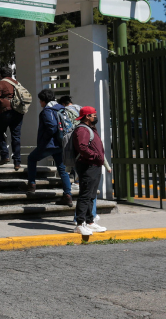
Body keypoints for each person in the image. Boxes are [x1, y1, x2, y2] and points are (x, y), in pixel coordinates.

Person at [26, 89, 72, 207]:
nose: (40, 103)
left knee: (31, 158)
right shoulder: (60, 108)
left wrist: (43, 141)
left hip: (50, 144)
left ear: (43, 100)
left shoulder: (47, 110)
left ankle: (31, 185)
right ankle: (67, 195)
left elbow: (52, 127)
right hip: (61, 143)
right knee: (62, 169)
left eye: (40, 100)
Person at [73, 106, 108, 236]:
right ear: (87, 116)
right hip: (87, 166)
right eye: (94, 115)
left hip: (94, 166)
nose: (95, 117)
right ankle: (79, 223)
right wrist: (96, 156)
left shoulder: (90, 129)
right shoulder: (82, 130)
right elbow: (82, 147)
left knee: (91, 195)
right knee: (85, 195)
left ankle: (89, 222)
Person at [0, 66, 23, 170]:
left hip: (6, 111)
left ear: (0, 75)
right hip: (18, 111)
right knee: (16, 136)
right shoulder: (17, 83)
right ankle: (17, 162)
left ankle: (5, 155)